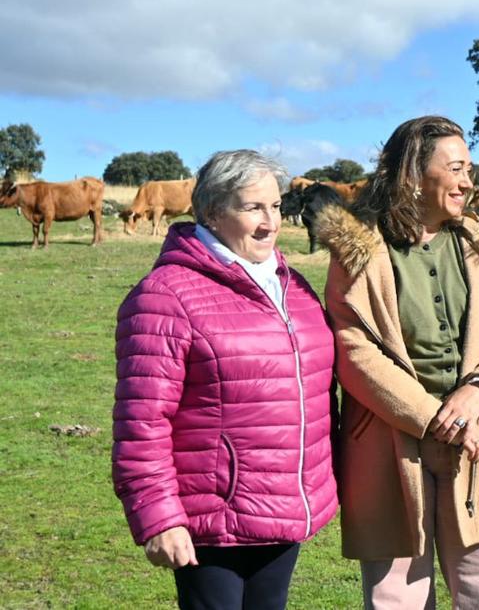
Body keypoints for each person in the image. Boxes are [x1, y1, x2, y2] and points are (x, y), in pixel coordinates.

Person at [318, 116, 479, 609]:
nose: (467, 181)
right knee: (398, 595)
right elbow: (354, 352)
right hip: (389, 442)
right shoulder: (359, 250)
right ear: (413, 175)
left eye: (469, 168)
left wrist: (478, 390)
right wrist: (437, 418)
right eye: (455, 168)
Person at [112, 149, 338, 609]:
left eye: (275, 206)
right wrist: (159, 518)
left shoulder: (292, 286)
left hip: (283, 506)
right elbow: (142, 421)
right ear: (212, 211)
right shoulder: (166, 296)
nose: (270, 222)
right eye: (253, 207)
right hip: (213, 520)